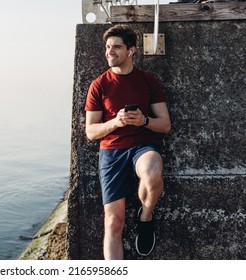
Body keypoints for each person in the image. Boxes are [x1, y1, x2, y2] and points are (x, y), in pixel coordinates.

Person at [85, 25, 171, 260]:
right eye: (107, 47)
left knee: (153, 170)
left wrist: (143, 121)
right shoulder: (99, 85)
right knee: (114, 222)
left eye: (116, 47)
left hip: (142, 147)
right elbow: (91, 132)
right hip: (111, 151)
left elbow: (164, 125)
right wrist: (115, 122)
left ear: (131, 50)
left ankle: (146, 216)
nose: (109, 52)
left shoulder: (148, 81)